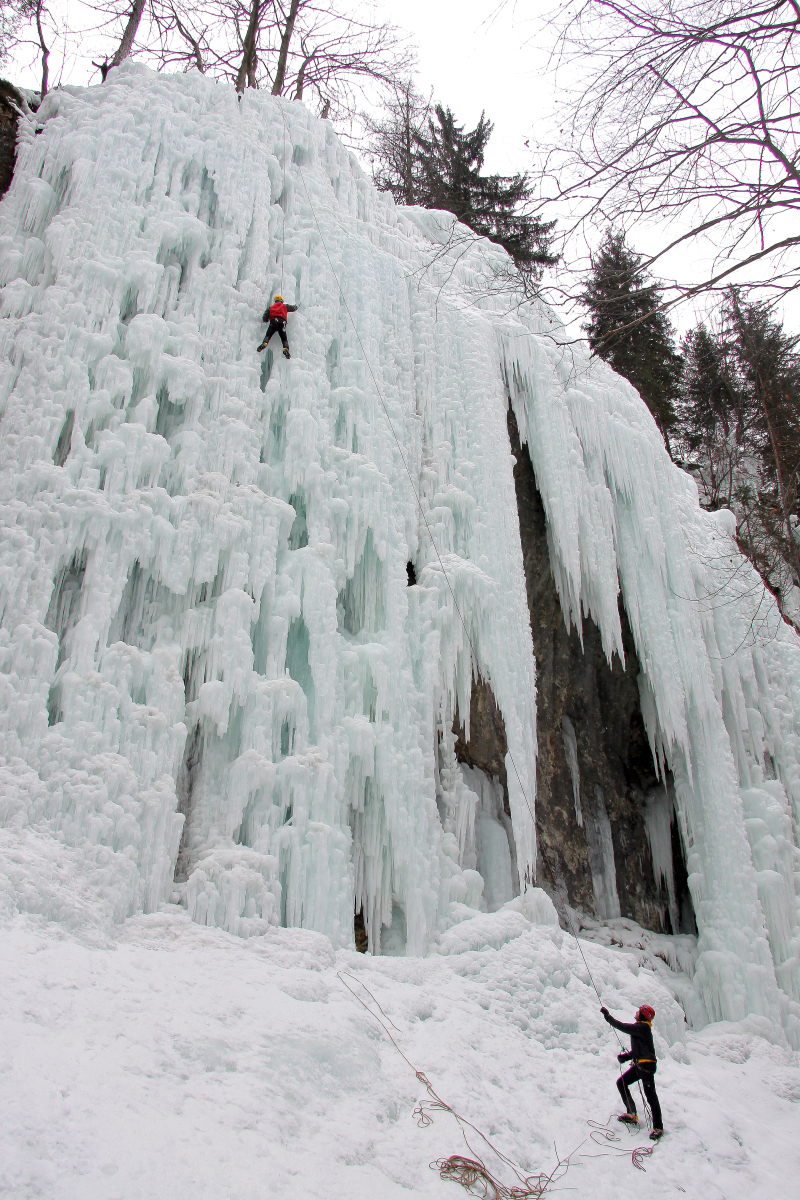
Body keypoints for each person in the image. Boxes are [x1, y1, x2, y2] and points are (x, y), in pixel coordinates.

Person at [600, 1004, 664, 1141]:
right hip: (641, 1065)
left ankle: (658, 1127)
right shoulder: (641, 1029)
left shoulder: (643, 1027)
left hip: (646, 1066)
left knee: (651, 1096)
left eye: (639, 1011)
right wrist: (626, 1057)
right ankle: (632, 1113)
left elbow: (623, 1027)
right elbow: (638, 1051)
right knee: (621, 1082)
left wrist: (608, 1017)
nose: (636, 1012)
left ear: (643, 1015)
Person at [257, 294, 298, 358]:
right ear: (281, 300)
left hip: (273, 322)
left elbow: (265, 318)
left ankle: (265, 343)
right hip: (282, 323)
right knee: (284, 338)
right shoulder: (285, 306)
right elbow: (293, 308)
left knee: (268, 335)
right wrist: (296, 306)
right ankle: (285, 348)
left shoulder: (270, 307)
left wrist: (267, 320)